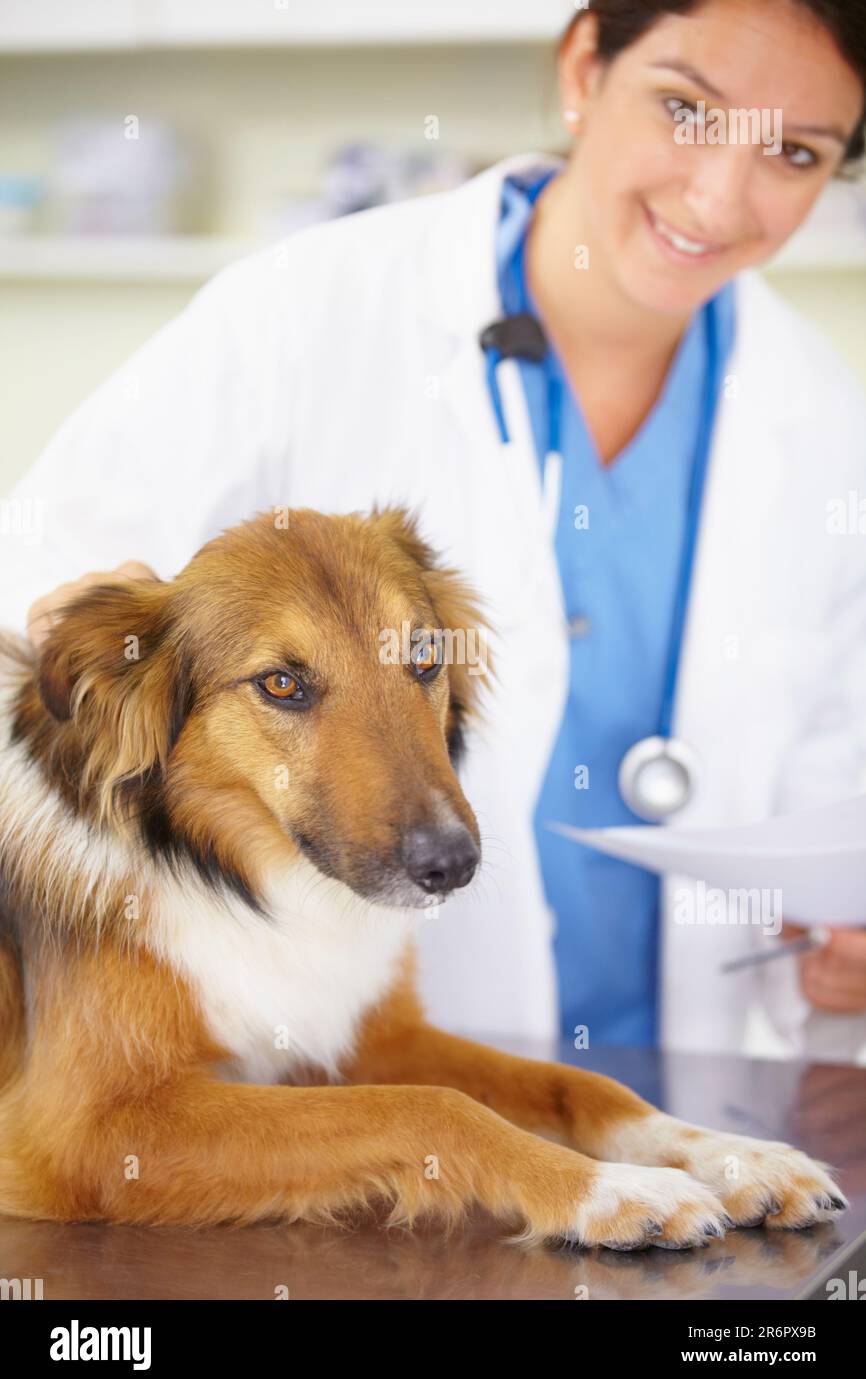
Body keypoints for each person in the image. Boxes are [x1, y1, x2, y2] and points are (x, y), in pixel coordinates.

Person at [3, 0, 866, 1060]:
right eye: (686, 110)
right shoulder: (304, 312)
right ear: (584, 67)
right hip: (339, 1072)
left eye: (792, 150)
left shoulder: (823, 421)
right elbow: (36, 584)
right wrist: (92, 621)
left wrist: (837, 943)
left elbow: (835, 787)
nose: (718, 191)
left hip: (673, 1073)